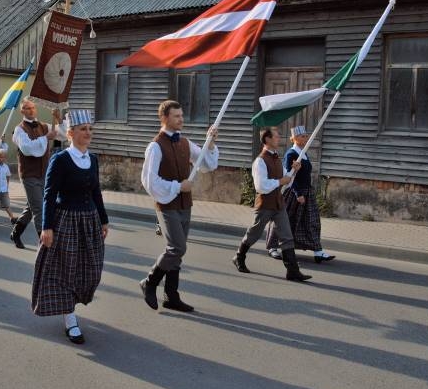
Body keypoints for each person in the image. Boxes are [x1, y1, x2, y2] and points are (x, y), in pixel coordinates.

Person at [33, 110, 108, 344]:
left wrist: (104, 219)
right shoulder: (61, 159)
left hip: (89, 221)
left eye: (90, 129)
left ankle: (73, 305)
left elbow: (96, 191)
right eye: (83, 129)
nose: (88, 133)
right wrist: (47, 227)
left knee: (91, 269)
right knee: (67, 269)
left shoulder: (92, 159)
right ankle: (70, 319)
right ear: (71, 133)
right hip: (66, 220)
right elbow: (49, 194)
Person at [139, 100, 218, 313]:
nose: (181, 119)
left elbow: (207, 164)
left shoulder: (185, 143)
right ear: (164, 118)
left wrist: (209, 144)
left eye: (182, 116)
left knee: (177, 252)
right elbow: (149, 181)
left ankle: (171, 296)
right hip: (166, 205)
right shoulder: (155, 146)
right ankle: (150, 282)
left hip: (185, 203)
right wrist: (177, 186)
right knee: (177, 247)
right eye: (176, 116)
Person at [231, 127, 311, 281]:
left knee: (287, 236)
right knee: (254, 233)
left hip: (279, 203)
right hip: (265, 204)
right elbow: (260, 186)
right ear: (267, 139)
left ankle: (292, 271)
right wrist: (281, 181)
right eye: (276, 136)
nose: (279, 138)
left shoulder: (277, 159)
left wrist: (293, 172)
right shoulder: (260, 161)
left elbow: (285, 181)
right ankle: (239, 257)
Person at [266, 126, 336, 263]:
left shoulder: (303, 153)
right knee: (283, 221)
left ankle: (318, 251)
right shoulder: (291, 154)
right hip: (293, 193)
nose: (306, 138)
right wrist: (298, 193)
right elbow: (289, 176)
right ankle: (273, 247)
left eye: (306, 136)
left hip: (307, 192)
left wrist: (305, 192)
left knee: (312, 221)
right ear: (295, 138)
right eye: (303, 136)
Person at [10, 100, 64, 248]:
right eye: (27, 108)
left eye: (33, 108)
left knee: (31, 207)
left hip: (44, 173)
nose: (32, 110)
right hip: (29, 174)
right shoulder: (19, 129)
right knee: (40, 209)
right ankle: (45, 246)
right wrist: (46, 137)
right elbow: (27, 148)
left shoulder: (43, 125)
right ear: (22, 111)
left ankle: (15, 233)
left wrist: (58, 118)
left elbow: (63, 134)